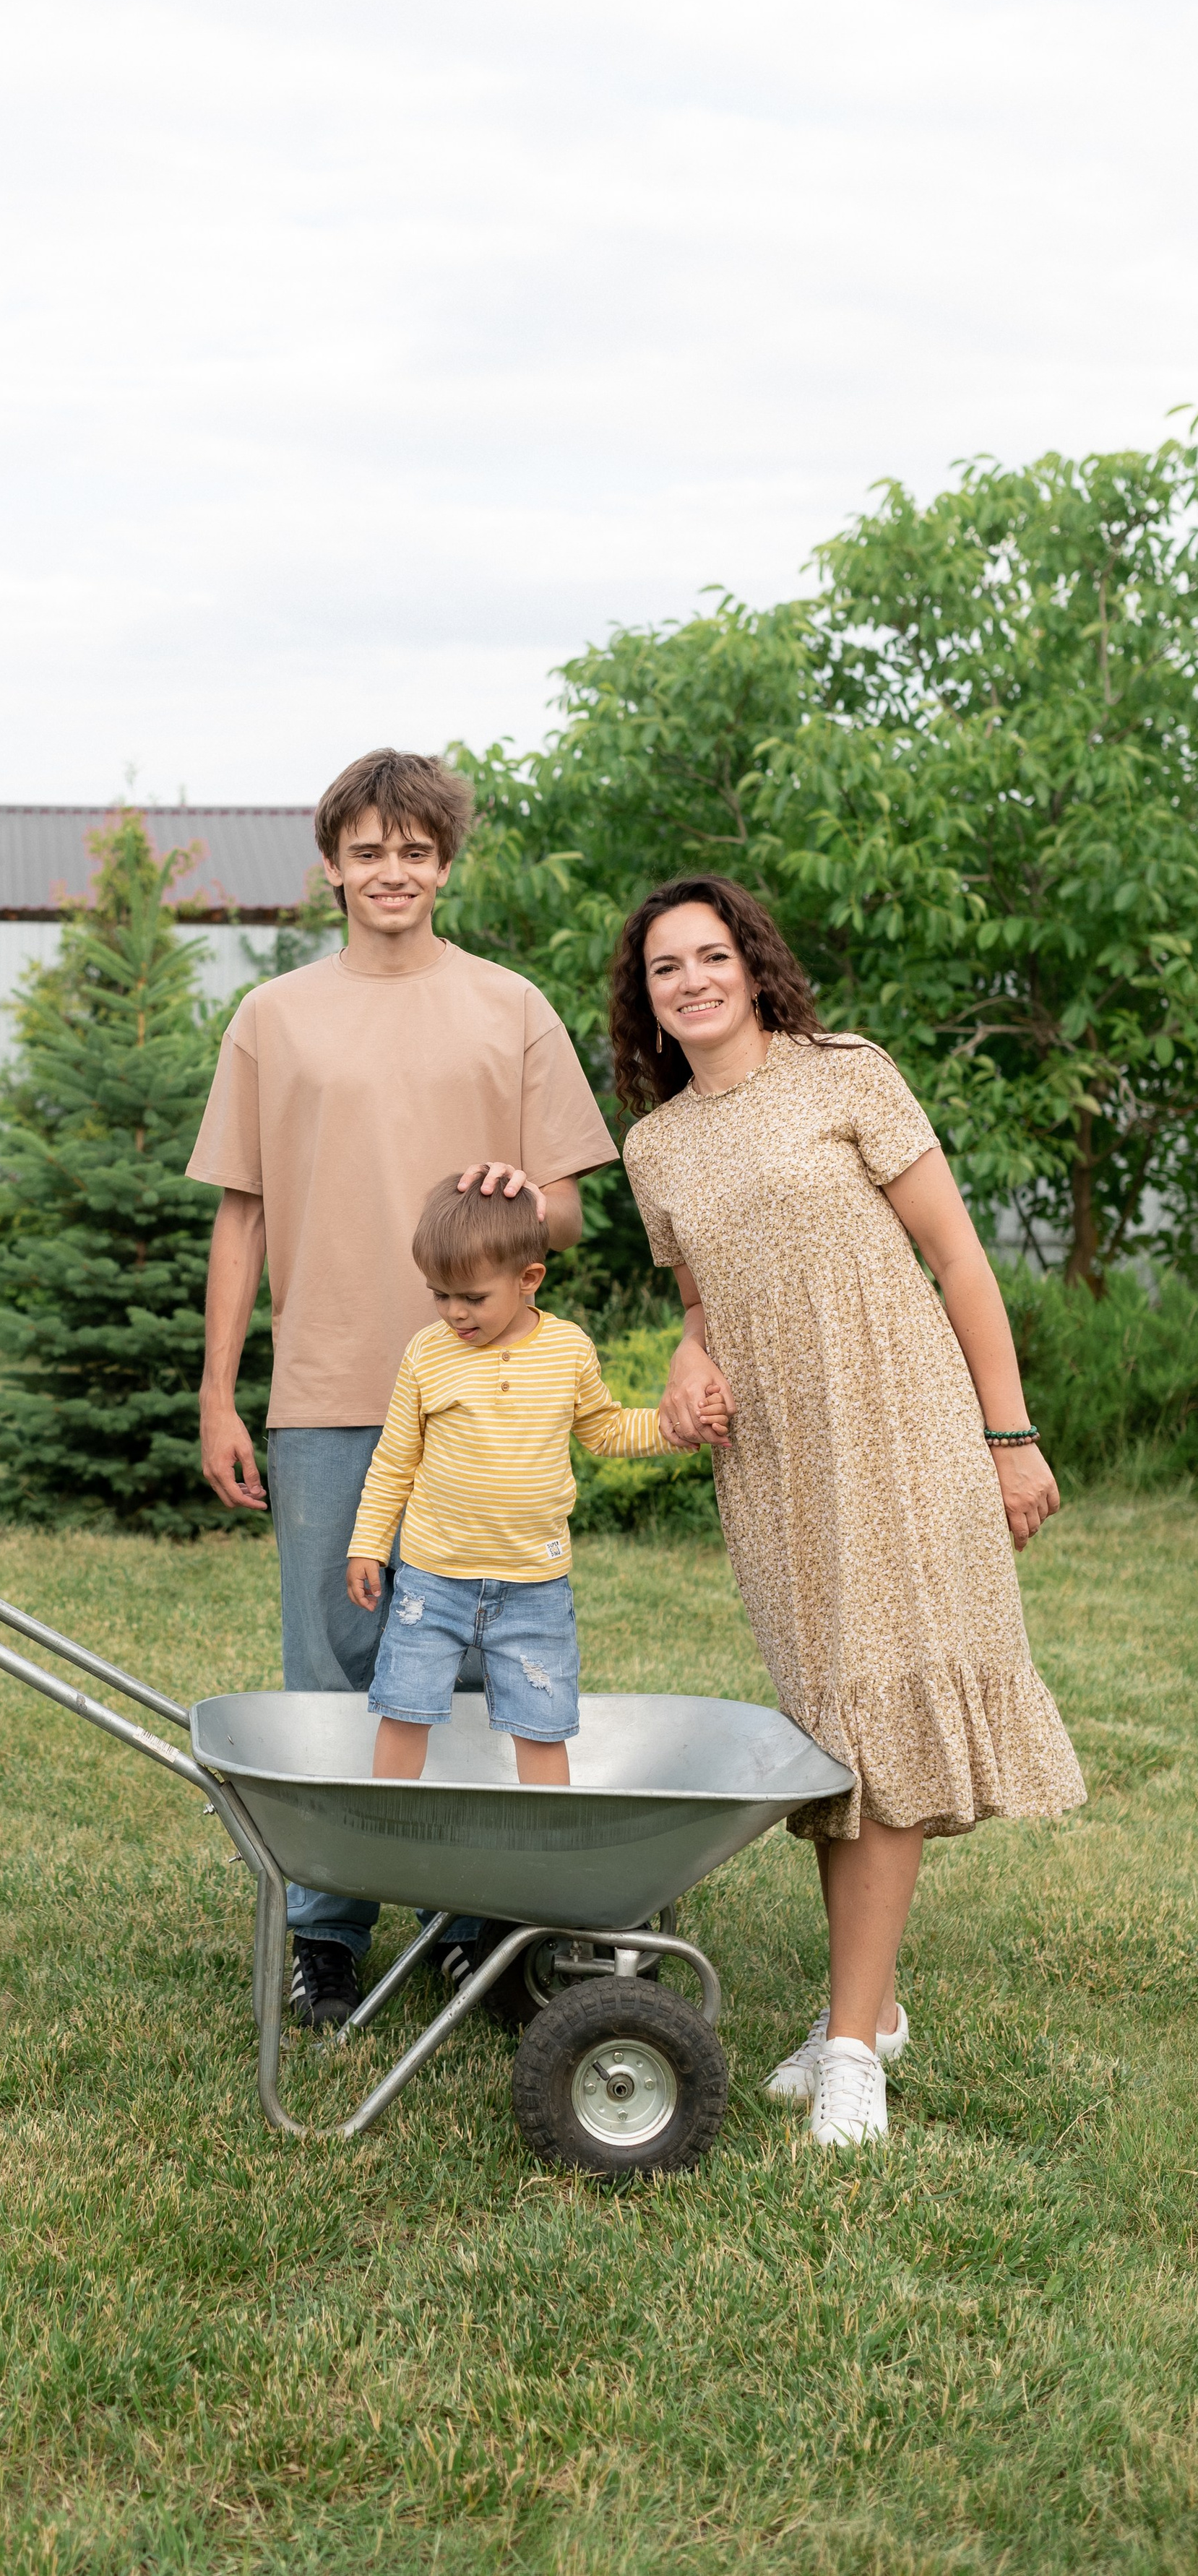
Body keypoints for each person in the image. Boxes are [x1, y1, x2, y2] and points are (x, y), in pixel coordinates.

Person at [616, 873, 1085, 2151]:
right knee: (835, 1732)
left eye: (713, 954)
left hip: (900, 1425)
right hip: (775, 1460)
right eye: (666, 966)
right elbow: (705, 1301)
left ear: (754, 964)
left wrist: (1009, 1434)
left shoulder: (847, 1075)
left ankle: (851, 2053)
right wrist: (687, 1358)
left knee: (882, 1709)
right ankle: (863, 2011)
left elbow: (959, 1255)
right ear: (645, 997)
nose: (693, 980)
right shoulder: (655, 1147)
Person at [189, 748, 621, 2027]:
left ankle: (475, 1926)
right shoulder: (275, 1018)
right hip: (328, 1384)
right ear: (332, 864)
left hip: (492, 1390)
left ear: (445, 864)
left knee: (485, 1655)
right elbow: (240, 1214)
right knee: (336, 1662)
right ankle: (329, 1930)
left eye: (416, 850)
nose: (393, 870)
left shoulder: (510, 1006)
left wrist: (524, 1195)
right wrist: (219, 1393)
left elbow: (569, 1207)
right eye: (369, 849)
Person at [347, 1174, 680, 1785]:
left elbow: (605, 1430)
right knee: (403, 1709)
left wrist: (672, 1427)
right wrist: (368, 1543)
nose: (454, 1312)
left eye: (473, 1297)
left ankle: (547, 1836)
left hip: (534, 1586)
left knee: (542, 1725)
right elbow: (394, 1461)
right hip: (432, 1581)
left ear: (529, 1279)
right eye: (440, 1295)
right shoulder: (427, 1353)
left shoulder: (568, 1349)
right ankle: (386, 1819)